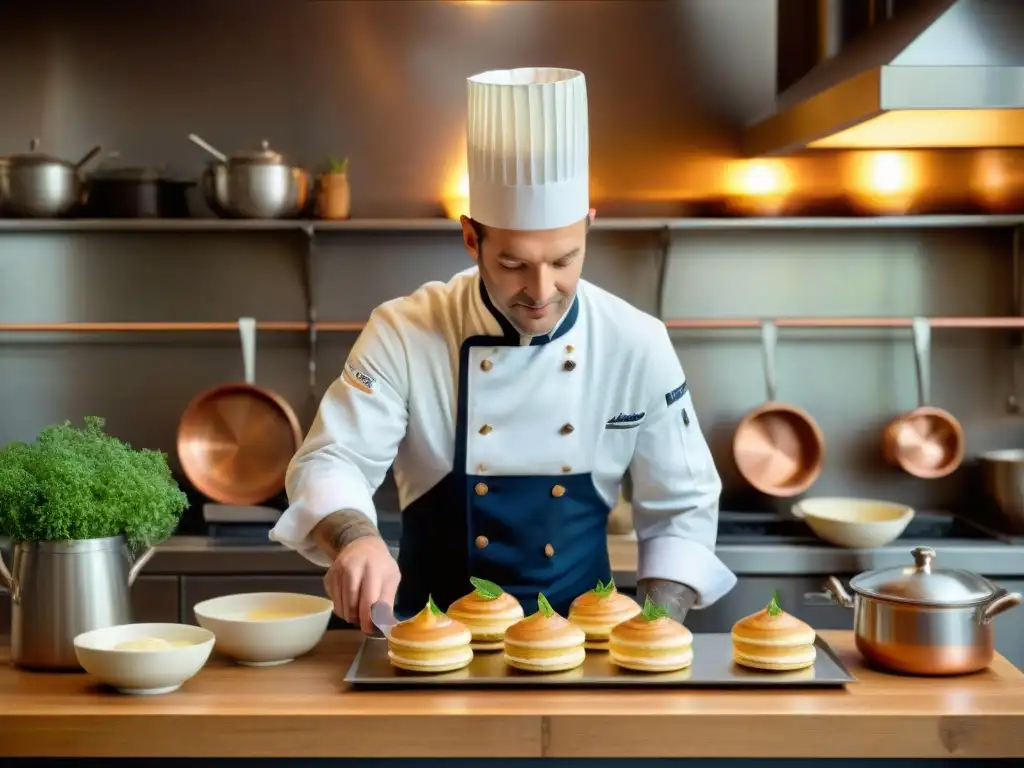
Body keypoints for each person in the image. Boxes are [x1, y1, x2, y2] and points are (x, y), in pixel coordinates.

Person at [270, 67, 737, 634]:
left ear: (590, 226)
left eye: (564, 260)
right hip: (427, 646)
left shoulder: (636, 341)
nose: (541, 292)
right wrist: (357, 538)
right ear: (471, 238)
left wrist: (657, 626)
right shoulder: (404, 330)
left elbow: (682, 507)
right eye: (513, 264)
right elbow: (331, 459)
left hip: (585, 653)